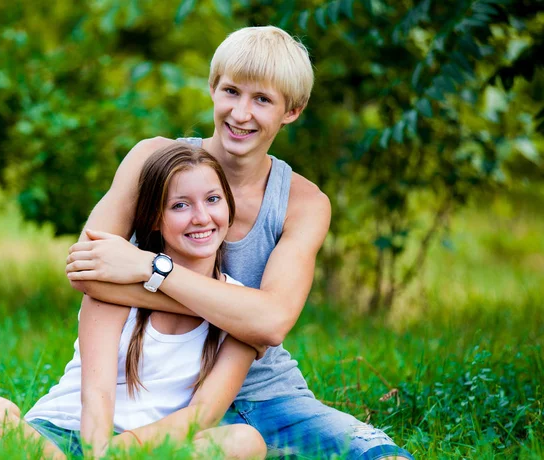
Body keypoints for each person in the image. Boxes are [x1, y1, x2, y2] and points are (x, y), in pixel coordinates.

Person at [66, 26, 414, 459]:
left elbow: (270, 325)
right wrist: (241, 311)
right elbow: (85, 271)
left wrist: (150, 269)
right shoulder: (152, 161)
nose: (240, 113)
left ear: (293, 110)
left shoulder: (303, 204)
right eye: (231, 91)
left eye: (263, 99)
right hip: (159, 386)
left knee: (384, 456)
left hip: (265, 391)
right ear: (213, 89)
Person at [0, 144, 267, 460]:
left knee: (245, 441)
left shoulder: (240, 308)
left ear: (229, 207)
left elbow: (203, 414)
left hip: (147, 449)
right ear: (154, 219)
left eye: (212, 199)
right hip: (61, 439)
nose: (201, 217)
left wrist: (118, 453)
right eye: (180, 206)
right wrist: (97, 454)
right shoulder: (117, 284)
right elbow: (97, 395)